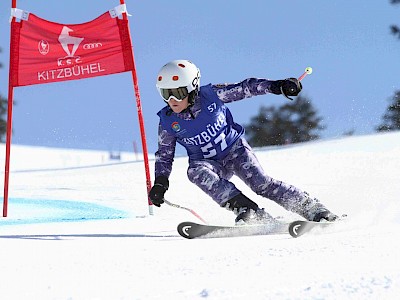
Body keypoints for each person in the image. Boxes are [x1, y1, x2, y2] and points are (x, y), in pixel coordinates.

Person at [149, 59, 338, 225]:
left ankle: (313, 208)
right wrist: (160, 182)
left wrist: (276, 86)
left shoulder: (212, 96)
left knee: (261, 184)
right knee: (195, 172)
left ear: (193, 88)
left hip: (235, 151)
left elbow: (245, 88)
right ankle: (248, 210)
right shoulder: (168, 122)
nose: (172, 100)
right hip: (209, 163)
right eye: (166, 94)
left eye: (178, 92)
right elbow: (164, 156)